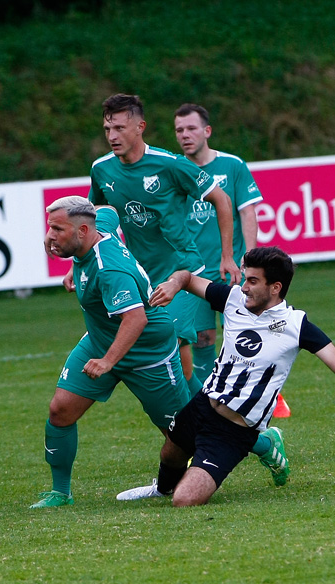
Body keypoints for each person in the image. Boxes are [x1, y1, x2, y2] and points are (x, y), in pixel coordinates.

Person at [116, 246, 335, 506]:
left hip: (234, 431)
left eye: (252, 281)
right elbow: (188, 278)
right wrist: (175, 284)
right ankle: (160, 489)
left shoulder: (296, 325)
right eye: (245, 279)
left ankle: (268, 442)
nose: (244, 287)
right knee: (170, 451)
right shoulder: (233, 299)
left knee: (185, 499)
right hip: (203, 404)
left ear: (275, 288)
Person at [30, 196, 190, 508]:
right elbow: (109, 211)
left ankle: (264, 443)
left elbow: (136, 319)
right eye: (50, 228)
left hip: (148, 351)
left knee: (183, 436)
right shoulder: (95, 226)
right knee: (60, 410)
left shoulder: (109, 269)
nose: (50, 236)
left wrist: (107, 362)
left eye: (57, 229)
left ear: (82, 232)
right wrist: (73, 267)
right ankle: (60, 493)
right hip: (102, 339)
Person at [87, 93, 240, 400]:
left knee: (179, 361)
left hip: (183, 272)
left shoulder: (170, 165)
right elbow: (97, 218)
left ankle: (214, 428)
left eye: (119, 128)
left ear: (140, 127)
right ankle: (229, 427)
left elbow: (221, 199)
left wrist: (227, 256)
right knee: (175, 371)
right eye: (107, 129)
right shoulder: (102, 169)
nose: (112, 136)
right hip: (144, 276)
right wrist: (79, 262)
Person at [174, 103, 263, 385]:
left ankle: (251, 392)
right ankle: (211, 398)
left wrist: (250, 258)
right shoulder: (174, 170)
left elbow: (247, 212)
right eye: (179, 130)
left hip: (231, 267)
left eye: (191, 128)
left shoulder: (232, 165)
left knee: (242, 336)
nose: (185, 135)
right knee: (201, 339)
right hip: (194, 272)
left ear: (207, 131)